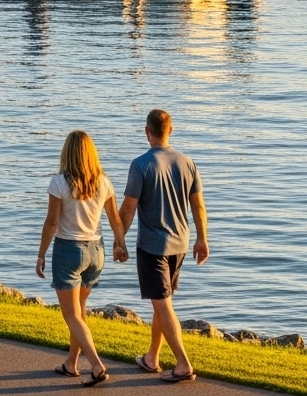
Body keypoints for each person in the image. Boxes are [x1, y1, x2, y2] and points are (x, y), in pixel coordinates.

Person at [119, 109, 208, 384]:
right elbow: (198, 205)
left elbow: (129, 208)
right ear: (171, 130)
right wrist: (202, 239)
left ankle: (183, 363)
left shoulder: (140, 165)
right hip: (181, 244)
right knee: (162, 302)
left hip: (153, 247)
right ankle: (152, 357)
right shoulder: (188, 162)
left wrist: (118, 240)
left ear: (147, 131)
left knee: (163, 303)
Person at [37, 130, 127, 386]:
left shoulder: (59, 183)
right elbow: (115, 220)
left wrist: (41, 254)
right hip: (96, 252)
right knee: (80, 311)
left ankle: (97, 366)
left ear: (68, 152)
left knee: (71, 315)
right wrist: (121, 244)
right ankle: (71, 364)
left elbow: (52, 222)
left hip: (68, 251)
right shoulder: (104, 182)